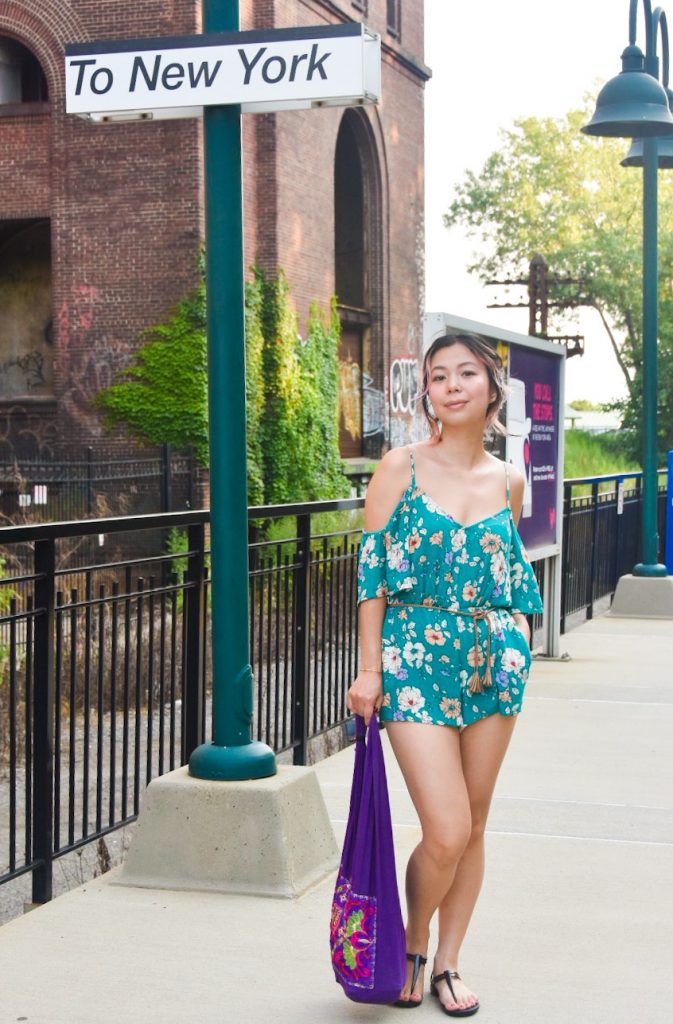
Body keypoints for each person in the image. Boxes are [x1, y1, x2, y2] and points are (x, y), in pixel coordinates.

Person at [347, 333, 543, 1018]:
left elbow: (509, 572)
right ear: (425, 393)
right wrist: (368, 671)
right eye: (438, 376)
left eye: (466, 373)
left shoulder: (508, 479)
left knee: (477, 822)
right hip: (411, 660)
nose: (452, 385)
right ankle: (411, 941)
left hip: (493, 662)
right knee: (447, 827)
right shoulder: (398, 467)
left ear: (492, 387)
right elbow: (371, 576)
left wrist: (517, 640)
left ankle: (449, 963)